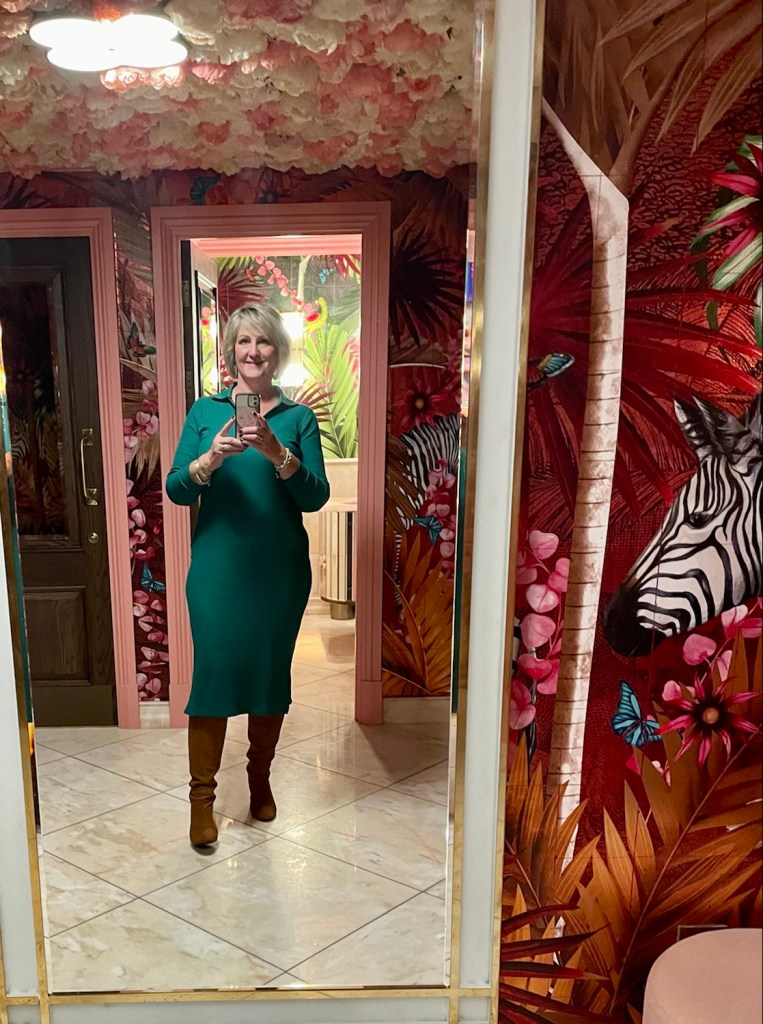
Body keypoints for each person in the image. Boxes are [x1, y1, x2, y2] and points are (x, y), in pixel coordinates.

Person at [166, 303, 330, 847]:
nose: (252, 351)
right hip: (217, 570)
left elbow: (315, 497)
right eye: (243, 341)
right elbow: (176, 489)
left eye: (262, 341)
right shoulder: (205, 412)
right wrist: (208, 460)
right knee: (213, 676)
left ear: (276, 352)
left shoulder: (299, 418)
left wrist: (279, 454)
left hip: (279, 574)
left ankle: (259, 778)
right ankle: (201, 801)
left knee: (268, 678)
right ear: (231, 351)